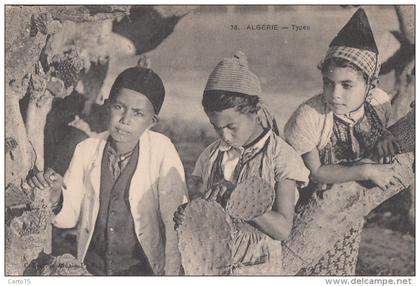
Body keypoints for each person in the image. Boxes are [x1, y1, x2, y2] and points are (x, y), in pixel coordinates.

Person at [27, 61, 188, 275]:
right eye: (119, 107)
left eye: (138, 113)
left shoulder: (162, 151)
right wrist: (56, 198)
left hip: (143, 271)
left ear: (152, 121)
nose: (125, 120)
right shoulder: (86, 149)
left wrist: (171, 276)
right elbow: (69, 218)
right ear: (107, 105)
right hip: (92, 270)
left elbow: (174, 222)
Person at [284, 8, 400, 275]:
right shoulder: (309, 116)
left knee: (341, 268)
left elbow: (380, 133)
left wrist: (384, 135)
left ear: (370, 85)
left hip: (349, 206)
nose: (334, 95)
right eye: (328, 83)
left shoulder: (380, 103)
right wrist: (366, 170)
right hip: (308, 209)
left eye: (347, 85)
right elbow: (316, 172)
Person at [174, 51, 309, 275]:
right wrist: (187, 214)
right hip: (210, 263)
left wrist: (240, 200)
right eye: (216, 127)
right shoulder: (211, 155)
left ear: (254, 112)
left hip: (258, 269)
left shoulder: (281, 157)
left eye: (231, 127)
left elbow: (283, 229)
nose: (224, 136)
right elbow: (203, 207)